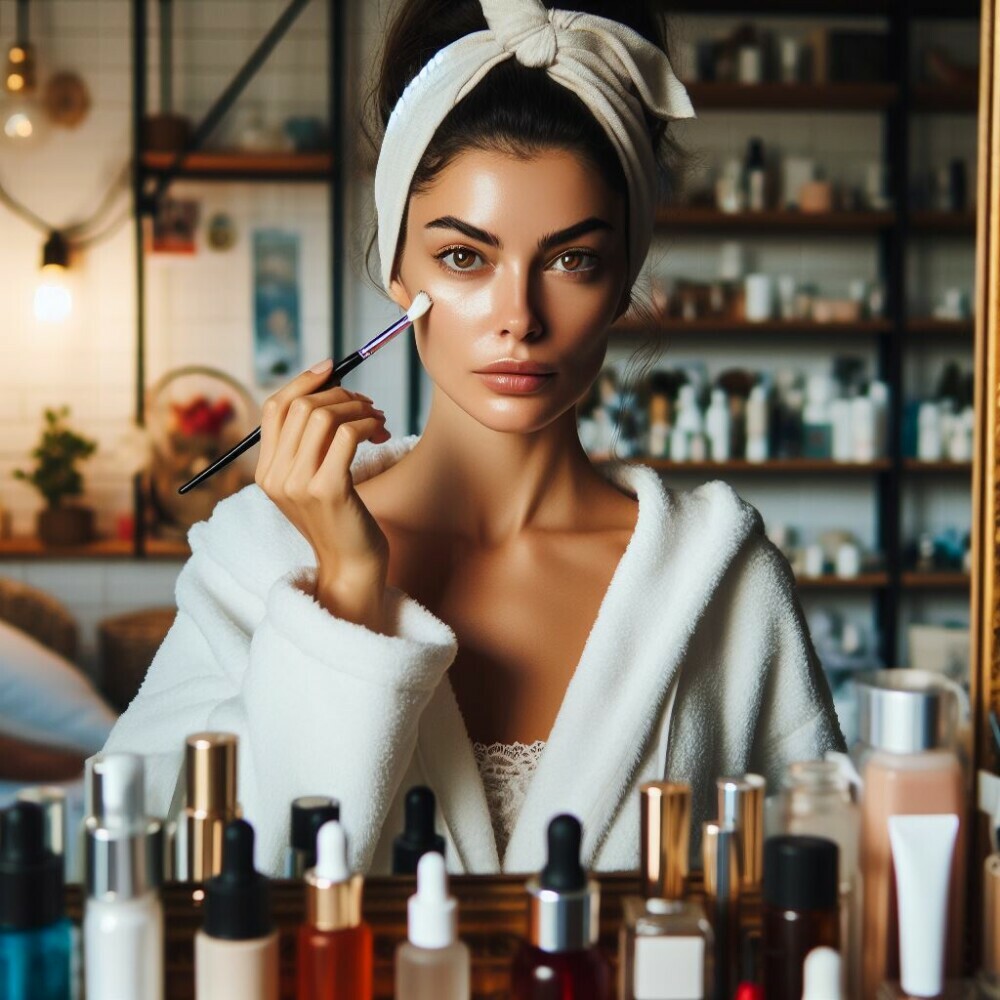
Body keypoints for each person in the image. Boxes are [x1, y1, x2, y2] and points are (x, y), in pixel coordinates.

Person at [101, 0, 844, 876]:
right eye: (465, 257)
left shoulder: (722, 582)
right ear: (399, 270)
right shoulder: (259, 558)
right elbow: (165, 883)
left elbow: (820, 891)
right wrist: (344, 586)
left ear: (622, 280)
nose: (518, 319)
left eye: (573, 259)